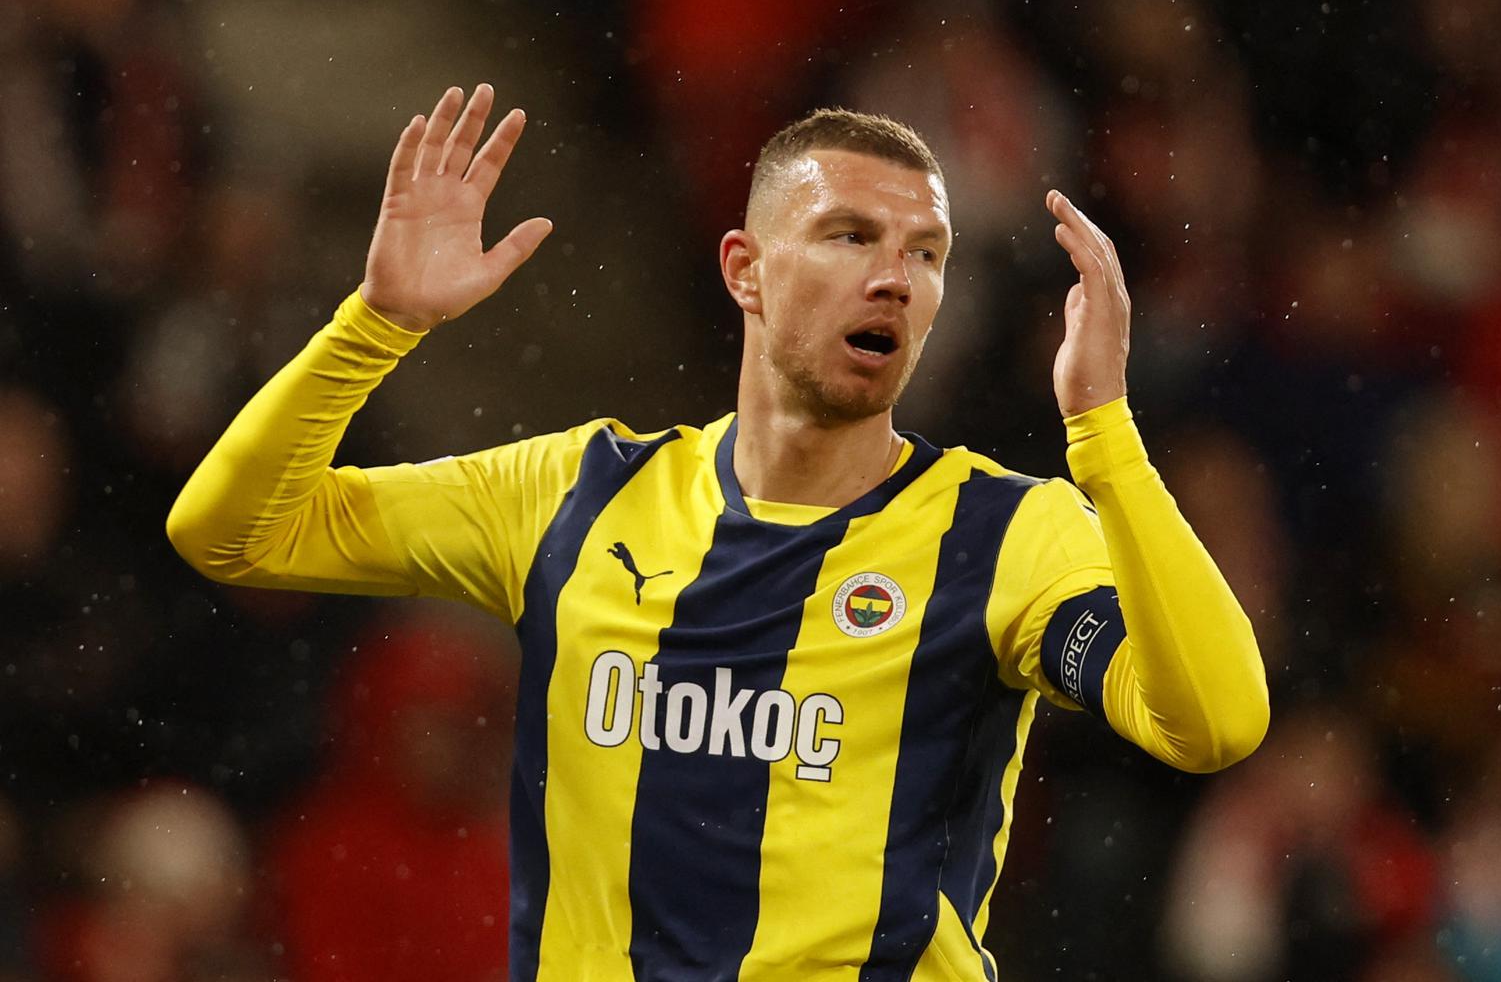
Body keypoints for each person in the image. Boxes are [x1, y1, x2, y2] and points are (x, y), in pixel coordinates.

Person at [166, 83, 1270, 980]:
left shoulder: (1006, 533)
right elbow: (234, 533)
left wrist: (1104, 435)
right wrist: (377, 325)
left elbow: (1215, 725)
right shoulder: (574, 496)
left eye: (926, 253)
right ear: (745, 269)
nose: (894, 278)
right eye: (849, 236)